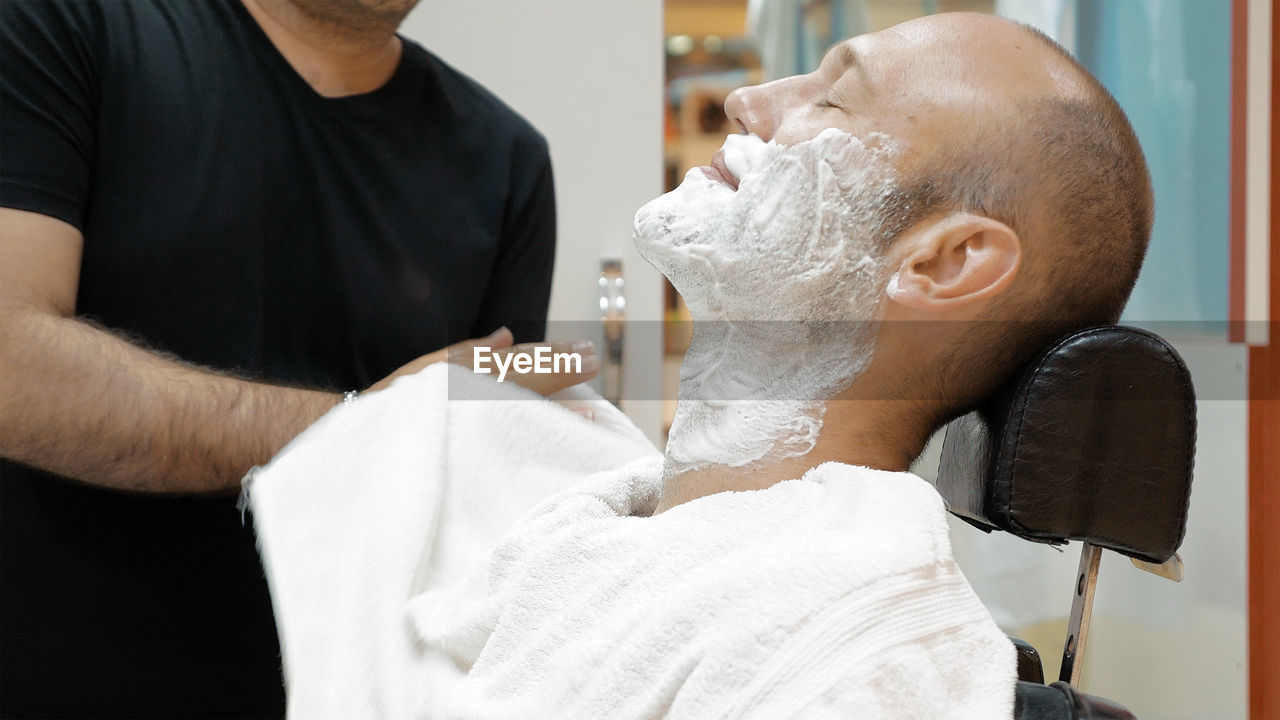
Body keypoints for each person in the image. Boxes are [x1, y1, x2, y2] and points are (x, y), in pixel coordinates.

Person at [244, 11, 1153, 718]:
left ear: (943, 263)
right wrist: (401, 418)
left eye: (833, 99)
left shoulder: (861, 654)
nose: (746, 103)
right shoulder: (593, 518)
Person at [0, 0, 586, 716]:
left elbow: (478, 473)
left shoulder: (507, 159)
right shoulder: (61, 28)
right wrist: (372, 423)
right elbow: (12, 366)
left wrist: (533, 413)